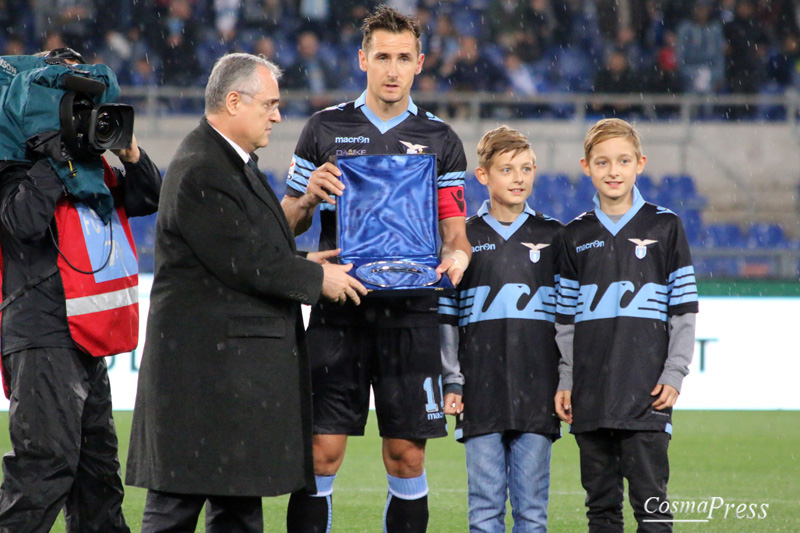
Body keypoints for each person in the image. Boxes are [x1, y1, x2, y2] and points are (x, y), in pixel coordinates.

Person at [125, 52, 366, 532]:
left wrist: (299, 262)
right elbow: (245, 262)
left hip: (222, 381)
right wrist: (317, 280)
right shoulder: (202, 167)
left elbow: (243, 252)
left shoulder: (231, 162)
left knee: (235, 510)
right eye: (269, 105)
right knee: (176, 510)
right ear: (234, 102)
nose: (278, 116)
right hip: (202, 382)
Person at [281, 6, 471, 532]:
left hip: (412, 313)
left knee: (407, 456)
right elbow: (286, 224)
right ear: (363, 59)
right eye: (382, 57)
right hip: (338, 308)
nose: (392, 69)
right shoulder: (324, 128)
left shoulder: (440, 139)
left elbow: (454, 230)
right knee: (320, 452)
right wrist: (307, 197)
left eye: (403, 58)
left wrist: (458, 256)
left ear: (420, 64)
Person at [0, 48, 161, 532]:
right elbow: (22, 222)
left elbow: (150, 196)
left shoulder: (98, 171)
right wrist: (56, 156)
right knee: (42, 470)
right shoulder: (12, 168)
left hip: (85, 336)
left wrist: (128, 151)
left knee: (98, 481)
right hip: (42, 333)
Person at [554, 118, 699, 532]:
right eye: (602, 162)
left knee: (652, 509)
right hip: (591, 395)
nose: (613, 171)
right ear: (586, 167)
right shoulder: (574, 235)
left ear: (640, 163)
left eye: (622, 161)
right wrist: (567, 378)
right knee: (601, 510)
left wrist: (674, 372)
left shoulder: (665, 226)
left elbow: (684, 311)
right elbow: (565, 320)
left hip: (646, 395)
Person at [439, 126, 562, 532]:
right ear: (483, 176)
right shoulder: (463, 239)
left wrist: (567, 380)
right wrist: (452, 381)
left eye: (526, 168)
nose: (519, 178)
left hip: (538, 391)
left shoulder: (554, 237)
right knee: (485, 512)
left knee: (531, 514)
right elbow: (447, 318)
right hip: (481, 390)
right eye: (507, 169)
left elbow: (569, 318)